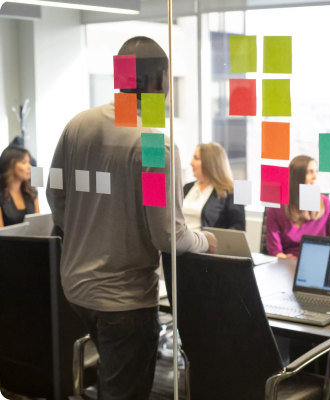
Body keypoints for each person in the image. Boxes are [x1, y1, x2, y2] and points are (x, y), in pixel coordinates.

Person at [46, 36, 216, 400]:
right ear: (157, 83)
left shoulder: (79, 126)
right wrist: (206, 240)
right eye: (168, 81)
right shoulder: (153, 145)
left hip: (76, 288)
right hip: (123, 301)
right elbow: (166, 235)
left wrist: (87, 230)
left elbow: (56, 196)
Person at [266, 155, 330, 258]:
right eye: (310, 172)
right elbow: (274, 250)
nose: (315, 177)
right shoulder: (276, 208)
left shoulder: (327, 204)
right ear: (296, 178)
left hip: (319, 263)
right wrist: (285, 259)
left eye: (316, 171)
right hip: (286, 265)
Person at [183, 142, 245, 231]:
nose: (191, 163)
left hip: (206, 244)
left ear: (209, 163)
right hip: (179, 243)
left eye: (196, 158)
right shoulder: (187, 187)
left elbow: (238, 227)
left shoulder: (233, 191)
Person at [0, 146, 39, 227]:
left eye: (29, 162)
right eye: (24, 162)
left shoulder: (32, 192)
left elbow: (38, 225)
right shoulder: (1, 195)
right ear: (10, 165)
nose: (30, 167)